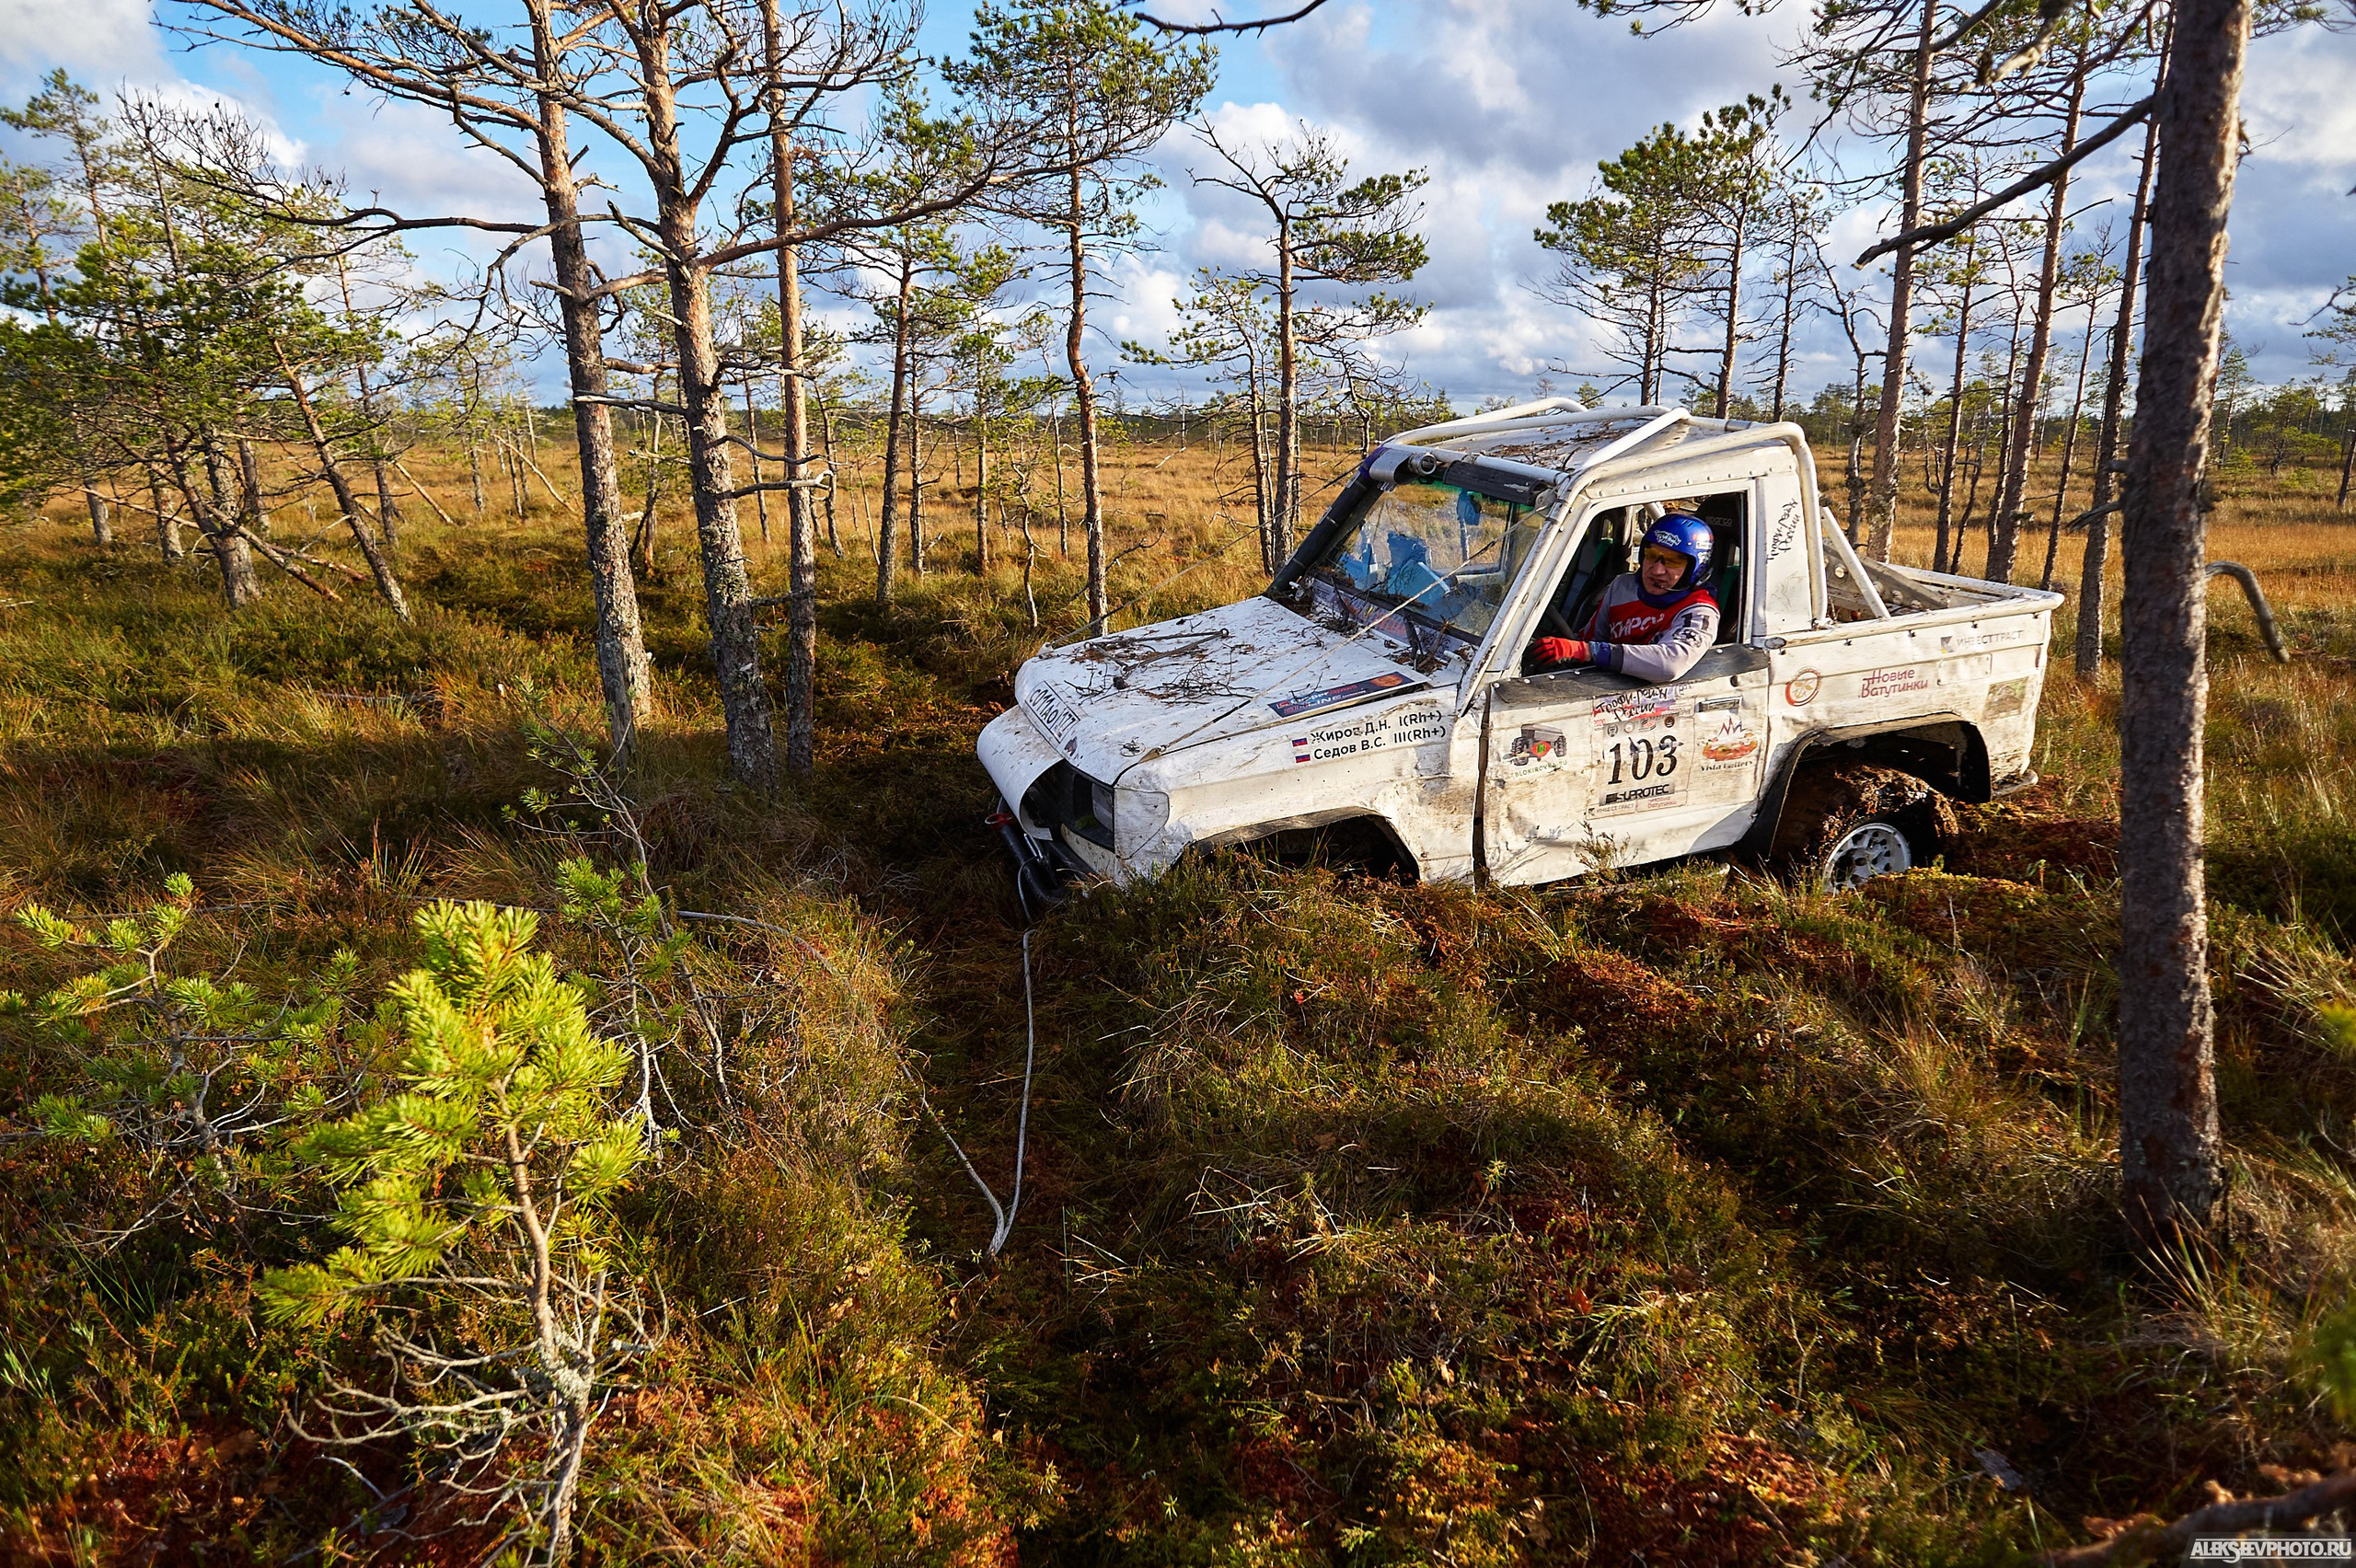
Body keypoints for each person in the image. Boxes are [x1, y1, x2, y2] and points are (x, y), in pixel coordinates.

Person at [1528, 513, 1719, 683]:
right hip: (1606, 685)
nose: (1657, 570)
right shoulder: (1622, 586)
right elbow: (1590, 639)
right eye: (1652, 555)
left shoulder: (1700, 611)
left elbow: (1670, 664)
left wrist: (1587, 651)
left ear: (1695, 568)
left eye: (1672, 561)